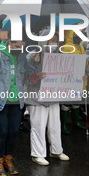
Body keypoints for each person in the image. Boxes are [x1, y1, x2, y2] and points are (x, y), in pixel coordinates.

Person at [0, 29, 26, 176]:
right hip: (1, 100)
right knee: (2, 132)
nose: (20, 48)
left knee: (14, 132)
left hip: (17, 101)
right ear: (10, 41)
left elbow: (23, 77)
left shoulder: (21, 56)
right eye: (18, 45)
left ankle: (8, 160)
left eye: (22, 45)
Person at [25, 30, 69, 166]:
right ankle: (37, 154)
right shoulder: (33, 55)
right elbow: (26, 76)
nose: (54, 43)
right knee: (38, 125)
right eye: (51, 40)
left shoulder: (58, 55)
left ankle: (56, 150)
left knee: (55, 125)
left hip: (53, 96)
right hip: (36, 98)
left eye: (55, 40)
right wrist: (37, 73)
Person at [59, 30, 86, 134]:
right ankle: (63, 126)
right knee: (66, 103)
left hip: (79, 79)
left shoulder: (81, 47)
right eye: (76, 34)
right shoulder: (66, 47)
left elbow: (85, 63)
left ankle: (76, 123)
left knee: (76, 102)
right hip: (69, 79)